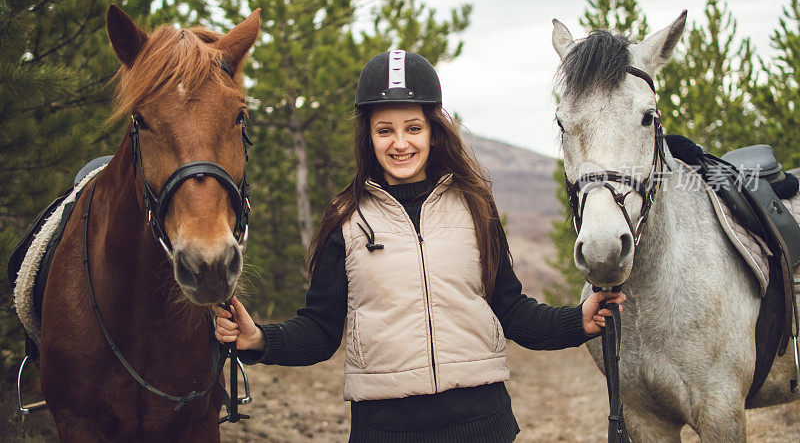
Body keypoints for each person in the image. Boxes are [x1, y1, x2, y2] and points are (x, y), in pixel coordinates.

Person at [215, 50, 625, 442]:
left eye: (413, 128)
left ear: (433, 130)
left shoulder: (475, 207)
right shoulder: (346, 220)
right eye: (384, 130)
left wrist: (577, 322)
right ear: (368, 136)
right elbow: (320, 330)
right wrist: (259, 340)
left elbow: (513, 312)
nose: (400, 143)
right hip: (384, 431)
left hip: (482, 427)